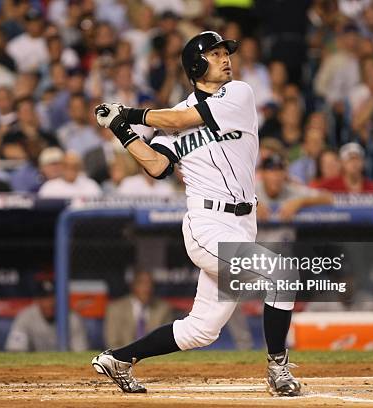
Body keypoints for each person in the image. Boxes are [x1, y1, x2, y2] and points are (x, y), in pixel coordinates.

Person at [91, 31, 301, 396]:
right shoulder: (170, 118)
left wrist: (133, 113)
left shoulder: (239, 93)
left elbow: (183, 119)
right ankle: (278, 369)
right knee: (282, 274)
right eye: (215, 54)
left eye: (225, 53)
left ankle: (118, 359)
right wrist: (123, 131)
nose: (225, 59)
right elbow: (157, 166)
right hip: (206, 225)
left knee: (202, 329)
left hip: (241, 223)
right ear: (196, 64)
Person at [5, 279, 87, 352]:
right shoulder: (26, 317)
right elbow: (15, 350)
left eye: (52, 298)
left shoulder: (72, 319)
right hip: (34, 366)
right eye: (44, 298)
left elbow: (80, 353)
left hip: (66, 367)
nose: (49, 303)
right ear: (37, 300)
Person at [104, 271, 173, 349]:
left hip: (153, 357)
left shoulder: (163, 309)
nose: (147, 288)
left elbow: (166, 342)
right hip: (124, 356)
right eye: (142, 283)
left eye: (150, 283)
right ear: (133, 286)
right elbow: (112, 343)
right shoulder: (115, 309)